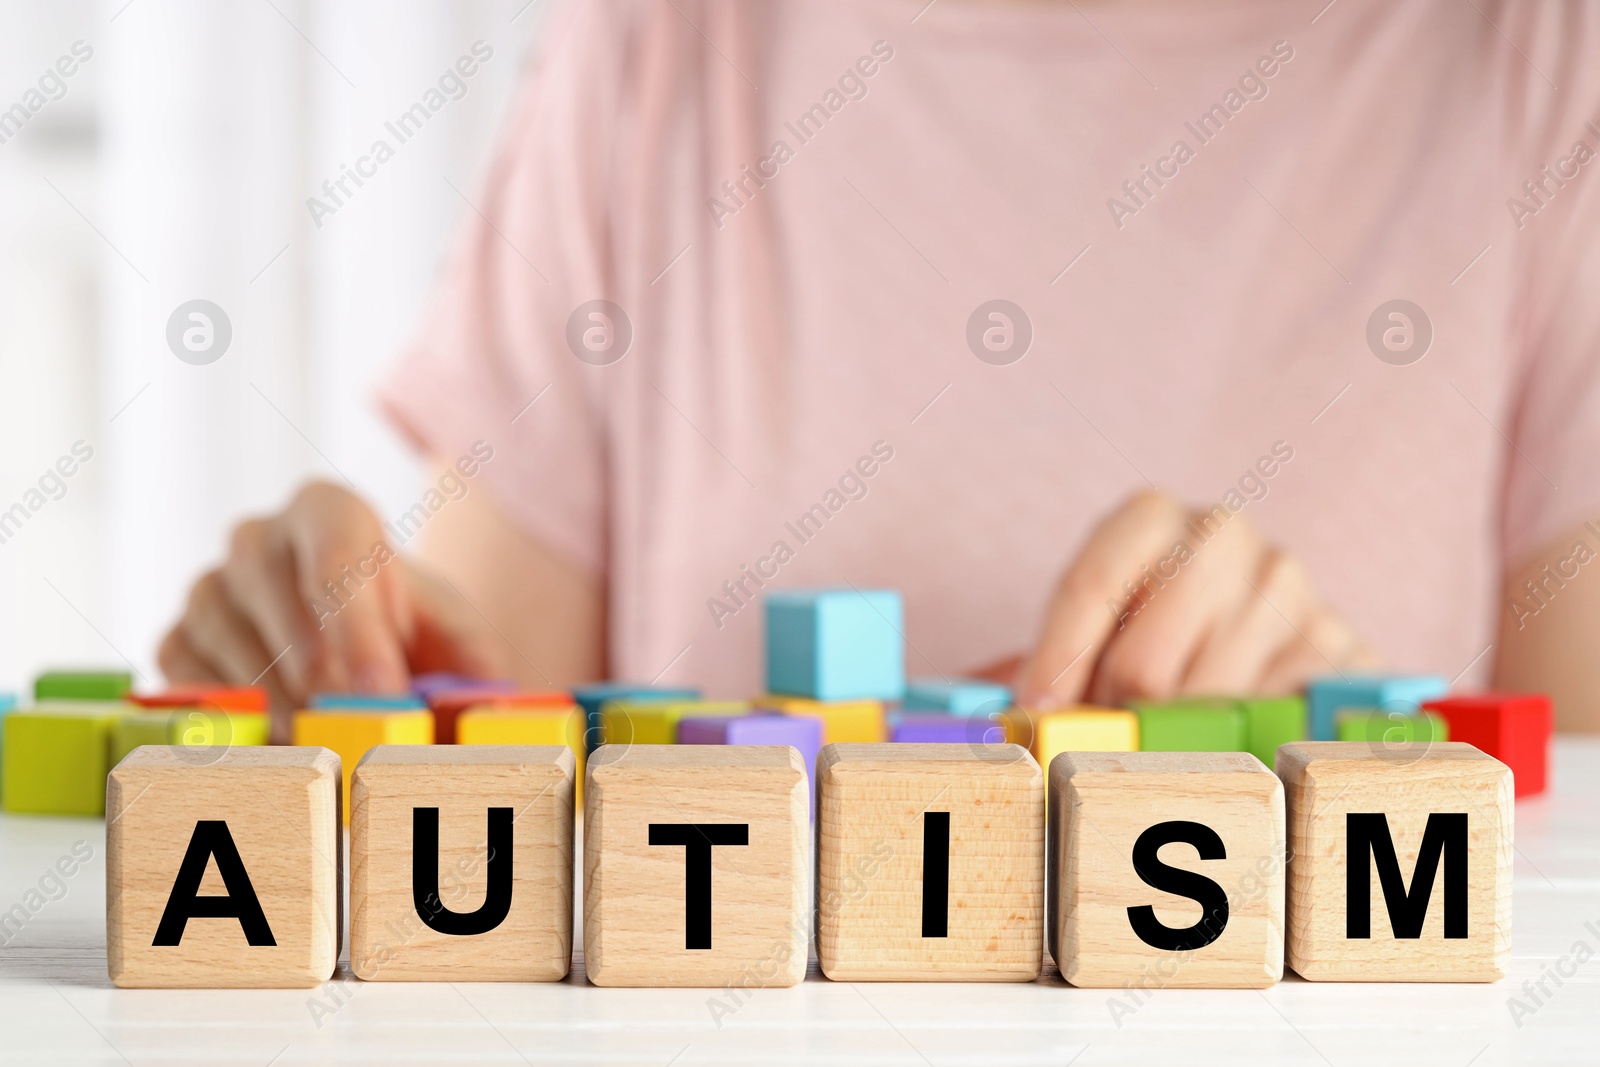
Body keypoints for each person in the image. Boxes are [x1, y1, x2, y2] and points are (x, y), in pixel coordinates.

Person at [158, 0, 1600, 738]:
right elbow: (484, 728)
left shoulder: (1539, 63)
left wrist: (1363, 737)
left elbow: (1572, 851)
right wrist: (342, 655)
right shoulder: (667, 40)